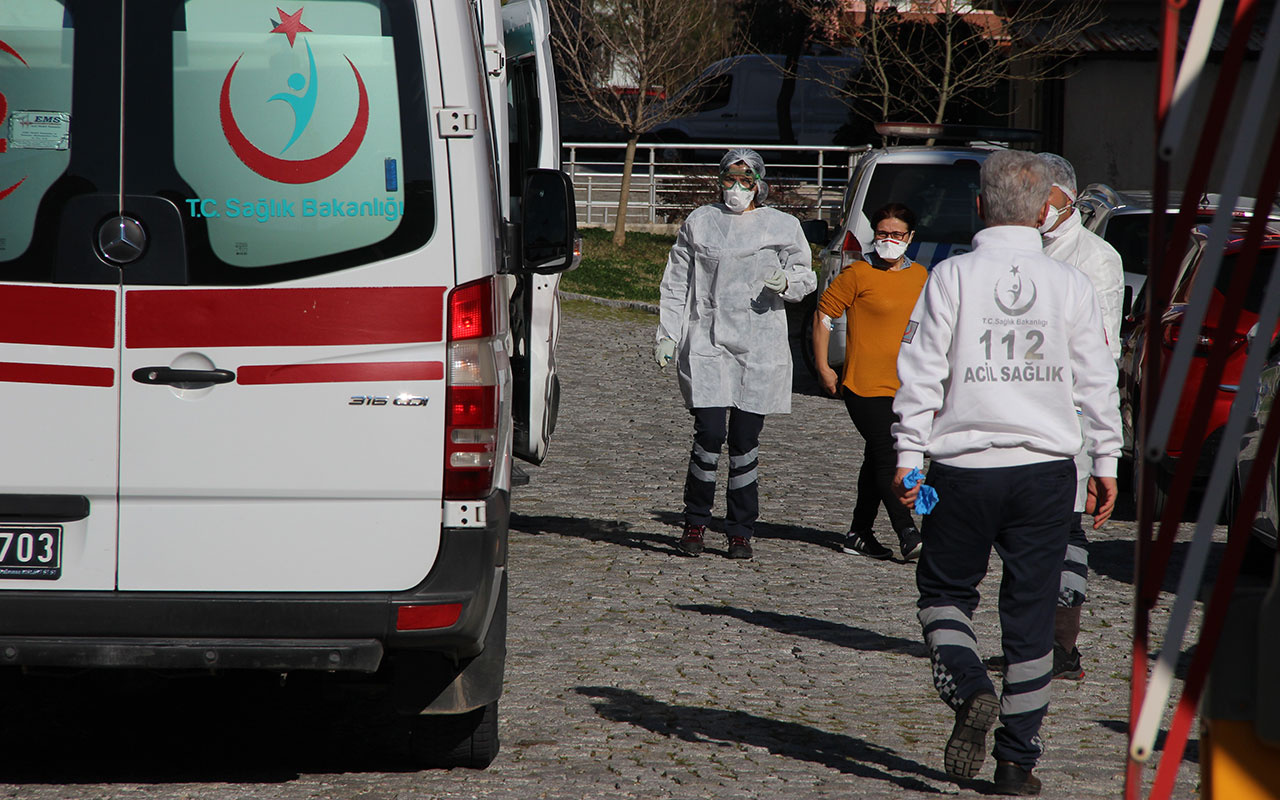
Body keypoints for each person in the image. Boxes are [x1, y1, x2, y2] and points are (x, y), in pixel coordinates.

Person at [891, 149, 1122, 795]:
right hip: (1048, 474)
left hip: (960, 471)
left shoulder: (951, 276)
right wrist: (1106, 460)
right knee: (1029, 619)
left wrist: (910, 458)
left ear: (978, 207)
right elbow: (1097, 379)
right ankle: (1018, 762)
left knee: (942, 594)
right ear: (1045, 211)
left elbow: (920, 375)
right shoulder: (1071, 285)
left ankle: (968, 687)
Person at [655, 148, 816, 561]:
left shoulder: (782, 225)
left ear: (760, 185)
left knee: (745, 441)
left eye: (746, 180)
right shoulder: (701, 222)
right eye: (730, 178)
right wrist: (668, 332)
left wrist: (787, 282)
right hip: (707, 340)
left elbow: (806, 275)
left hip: (758, 345)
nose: (737, 188)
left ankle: (740, 529)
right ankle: (695, 521)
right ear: (719, 179)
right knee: (709, 434)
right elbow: (677, 280)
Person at [1035, 152, 1125, 681]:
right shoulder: (1021, 249)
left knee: (1067, 527)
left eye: (1043, 199)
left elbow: (1101, 351)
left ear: (1067, 200)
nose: (1035, 210)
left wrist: (1099, 450)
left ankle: (1063, 645)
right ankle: (1029, 637)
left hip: (1070, 411)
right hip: (1021, 409)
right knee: (1026, 532)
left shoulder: (1097, 258)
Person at [812, 202, 927, 561]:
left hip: (907, 387)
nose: (889, 240)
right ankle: (908, 532)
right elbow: (823, 315)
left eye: (896, 234)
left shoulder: (923, 276)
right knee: (887, 453)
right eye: (882, 233)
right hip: (863, 385)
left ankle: (858, 532)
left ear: (910, 237)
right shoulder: (857, 275)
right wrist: (823, 367)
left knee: (876, 458)